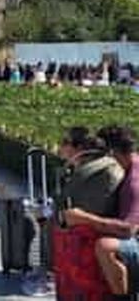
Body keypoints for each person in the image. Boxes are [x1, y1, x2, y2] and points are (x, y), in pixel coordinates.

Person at [59, 126, 139, 296]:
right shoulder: (127, 170)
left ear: (110, 153)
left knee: (105, 246)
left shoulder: (134, 182)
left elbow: (128, 230)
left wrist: (85, 218)